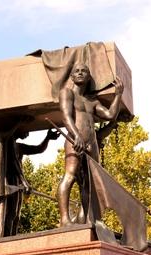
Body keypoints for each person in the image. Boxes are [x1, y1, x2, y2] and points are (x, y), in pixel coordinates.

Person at [56, 62, 124, 227]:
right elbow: (66, 117)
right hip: (74, 139)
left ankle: (85, 217)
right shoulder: (67, 93)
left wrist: (118, 95)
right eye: (77, 71)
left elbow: (109, 114)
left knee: (90, 183)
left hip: (91, 144)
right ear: (72, 76)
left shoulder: (92, 102)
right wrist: (76, 135)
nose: (80, 73)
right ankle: (64, 218)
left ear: (88, 77)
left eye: (84, 71)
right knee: (70, 175)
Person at [4, 128, 60, 236]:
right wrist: (24, 181)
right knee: (10, 214)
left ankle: (12, 238)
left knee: (16, 215)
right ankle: (6, 239)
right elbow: (14, 163)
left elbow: (38, 149)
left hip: (17, 183)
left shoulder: (19, 146)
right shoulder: (8, 144)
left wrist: (47, 138)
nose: (28, 132)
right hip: (9, 182)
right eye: (25, 128)